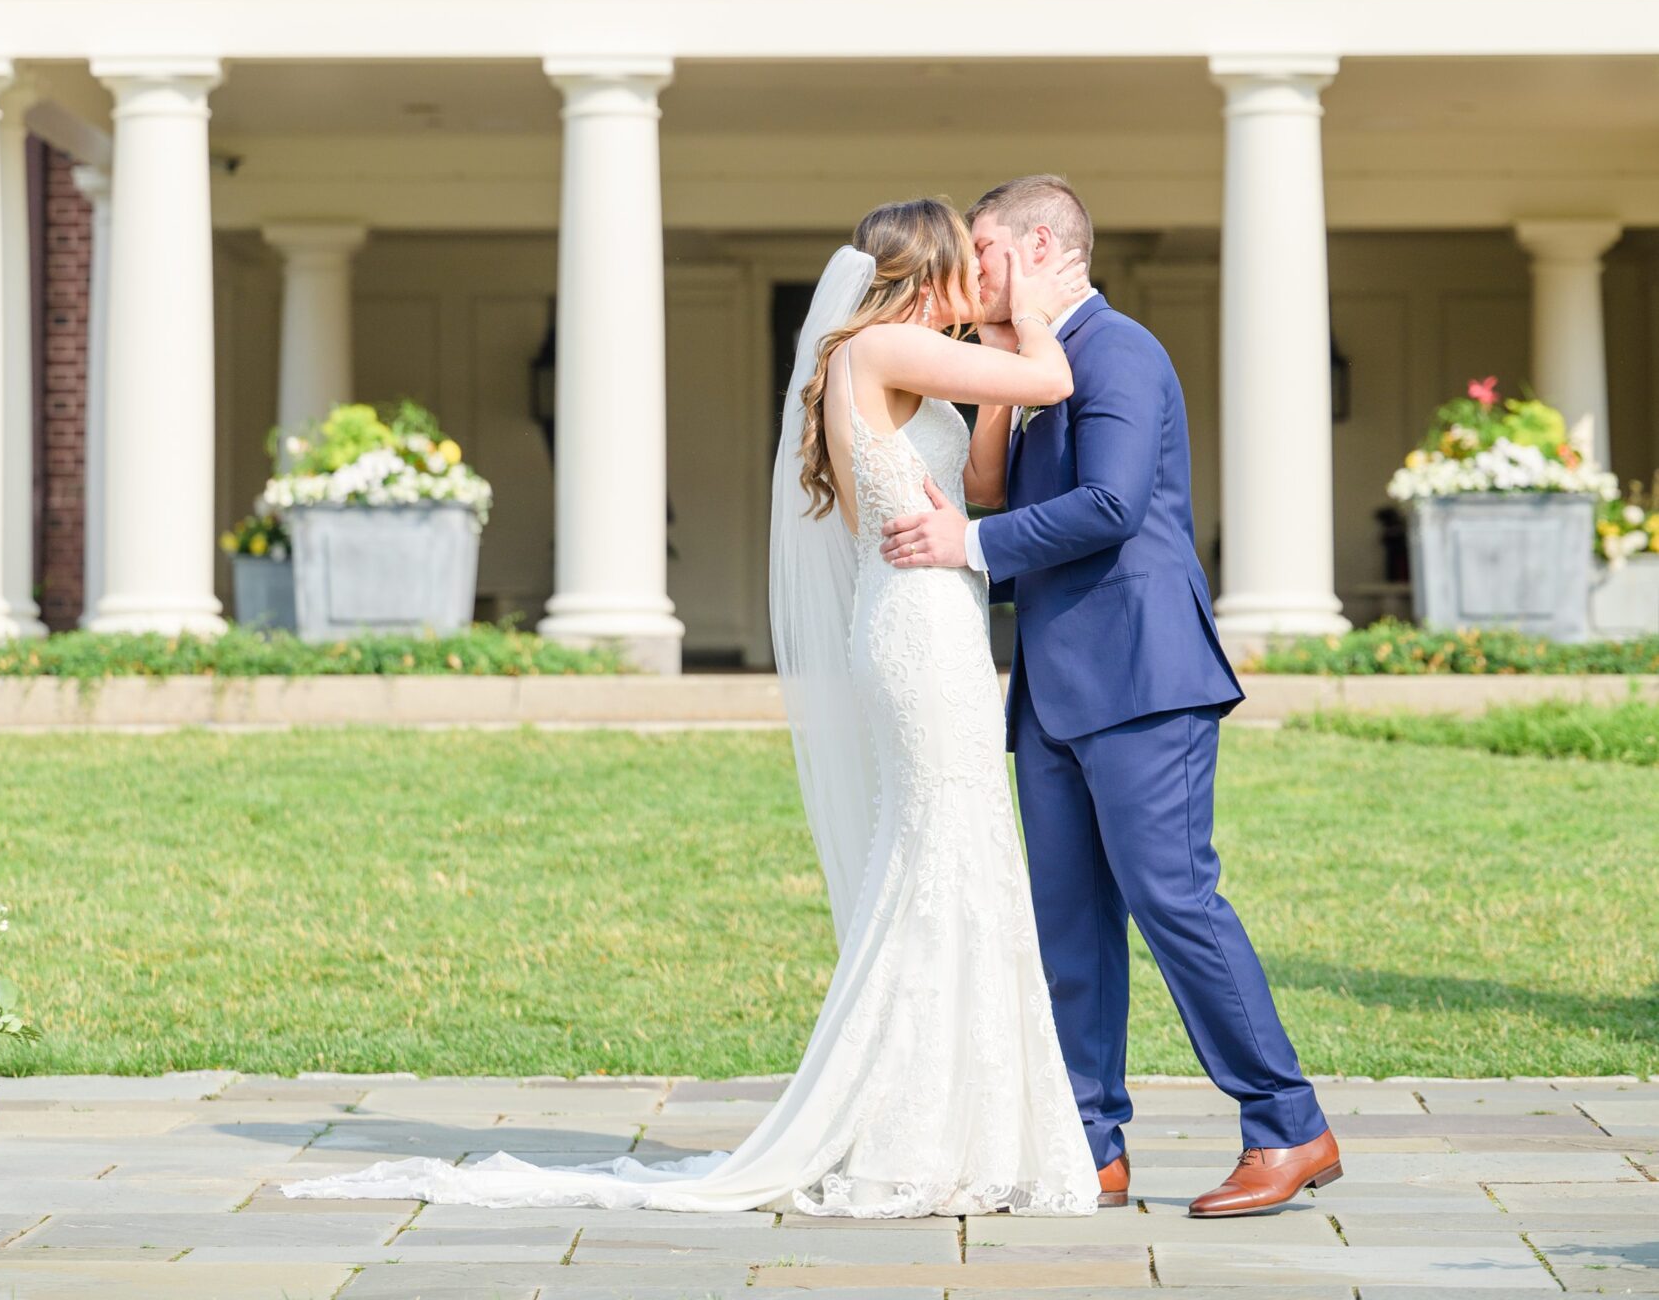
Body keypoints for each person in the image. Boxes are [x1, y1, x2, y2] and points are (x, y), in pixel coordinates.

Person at [286, 197, 1109, 1217]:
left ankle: (944, 1119)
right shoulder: (888, 347)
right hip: (918, 631)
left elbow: (983, 474)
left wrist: (985, 356)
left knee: (956, 852)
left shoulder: (892, 362)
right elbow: (1053, 377)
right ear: (929, 267)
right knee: (943, 856)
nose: (984, 275)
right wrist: (1026, 305)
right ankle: (911, 1123)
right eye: (971, 259)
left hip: (924, 616)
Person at [881, 173, 1342, 1220]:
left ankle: (1285, 1124)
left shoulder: (1120, 349)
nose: (972, 270)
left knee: (1173, 901)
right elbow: (997, 485)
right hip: (1049, 691)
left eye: (987, 250)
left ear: (1043, 248)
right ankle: (1090, 1146)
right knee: (1067, 924)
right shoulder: (1039, 365)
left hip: (1141, 678)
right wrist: (1000, 378)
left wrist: (970, 547)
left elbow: (1108, 503)